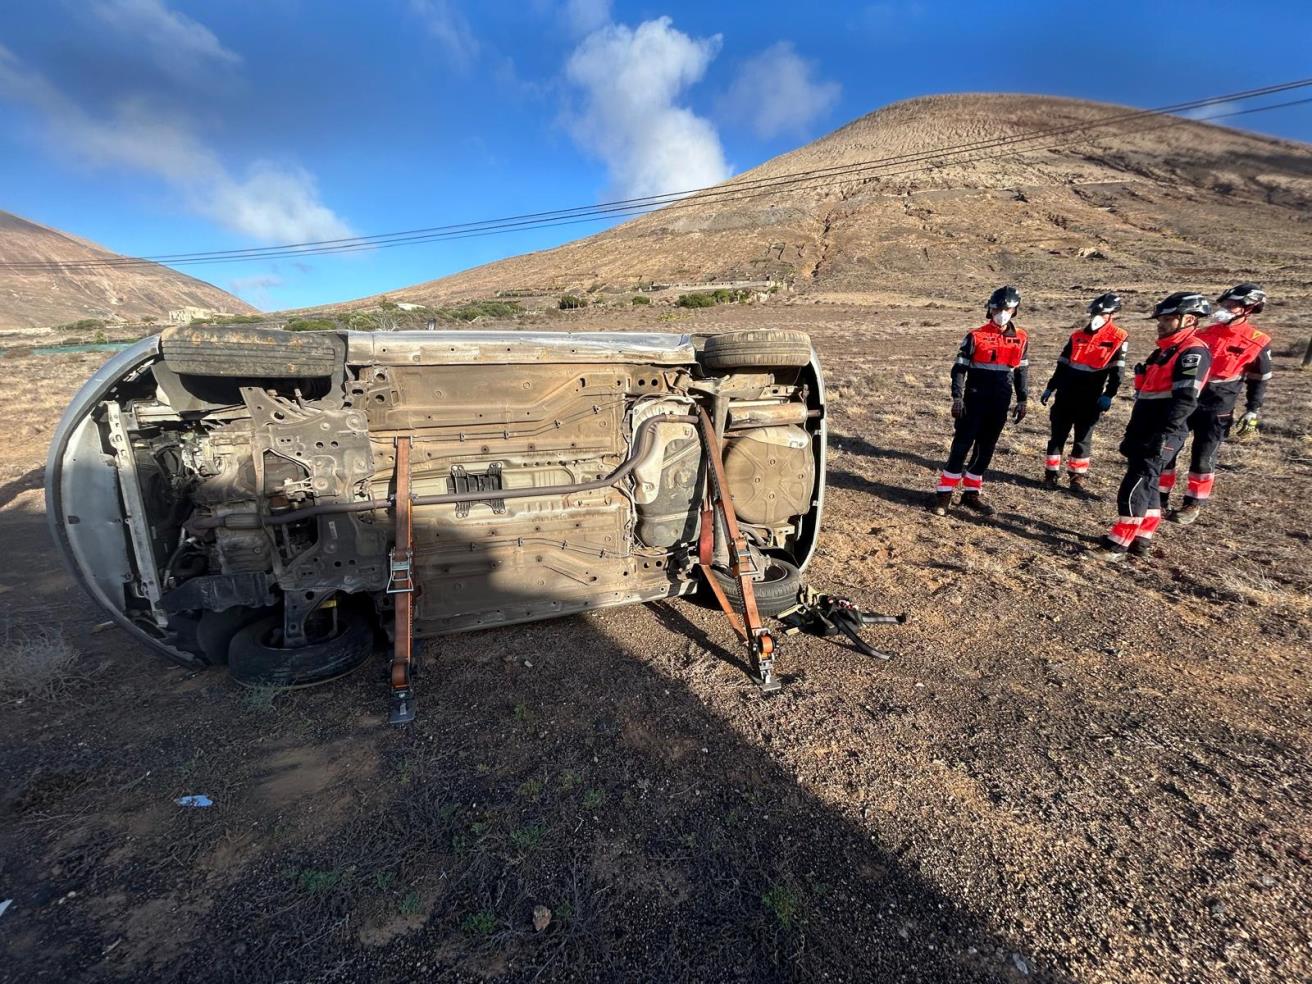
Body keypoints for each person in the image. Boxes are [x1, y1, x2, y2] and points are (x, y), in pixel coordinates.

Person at [1088, 292, 1212, 562]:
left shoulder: (1193, 352)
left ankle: (1117, 544)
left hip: (1162, 430)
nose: (1160, 324)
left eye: (1167, 319)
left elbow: (1186, 399)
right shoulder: (1166, 351)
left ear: (1188, 319)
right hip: (1147, 426)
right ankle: (1142, 538)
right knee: (1151, 486)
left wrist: (1164, 434)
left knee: (1136, 485)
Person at [1161, 283, 1273, 525]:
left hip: (1219, 404)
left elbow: (1259, 379)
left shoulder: (1258, 341)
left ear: (1249, 308)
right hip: (1189, 399)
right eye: (1224, 303)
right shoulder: (1202, 334)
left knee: (1203, 456)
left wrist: (1252, 409)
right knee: (1167, 448)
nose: (1225, 308)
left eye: (1232, 305)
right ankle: (1160, 497)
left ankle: (1193, 503)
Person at [932, 285, 1029, 516]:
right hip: (974, 399)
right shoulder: (975, 336)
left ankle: (971, 494)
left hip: (1000, 402)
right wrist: (957, 396)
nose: (1002, 313)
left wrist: (1023, 399)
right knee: (961, 446)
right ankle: (944, 494)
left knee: (985, 449)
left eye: (1008, 309)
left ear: (1015, 310)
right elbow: (959, 369)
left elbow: (1021, 371)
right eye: (998, 308)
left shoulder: (1021, 338)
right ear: (990, 309)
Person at [1040, 292, 1129, 491]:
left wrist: (1109, 394)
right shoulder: (1077, 335)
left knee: (1083, 438)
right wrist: (1051, 387)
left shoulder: (1119, 338)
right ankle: (1050, 474)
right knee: (1057, 436)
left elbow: (1117, 372)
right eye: (1095, 312)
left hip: (1091, 397)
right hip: (1066, 394)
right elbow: (1062, 365)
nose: (1097, 316)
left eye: (1102, 313)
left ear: (1112, 315)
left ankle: (1076, 478)